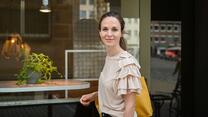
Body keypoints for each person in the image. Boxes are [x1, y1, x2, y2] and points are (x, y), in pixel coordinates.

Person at [80, 11, 142, 117]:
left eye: (114, 29)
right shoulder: (110, 57)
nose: (109, 34)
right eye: (105, 29)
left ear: (121, 33)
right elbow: (115, 93)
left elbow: (130, 107)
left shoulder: (126, 64)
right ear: (99, 32)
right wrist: (94, 95)